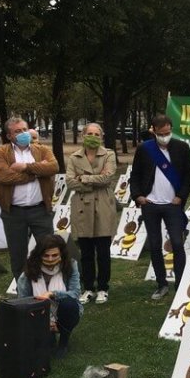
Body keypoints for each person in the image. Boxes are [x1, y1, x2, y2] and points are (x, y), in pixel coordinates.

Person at [130, 115, 190, 300]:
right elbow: (135, 174)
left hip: (172, 205)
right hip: (150, 205)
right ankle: (161, 284)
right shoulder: (145, 149)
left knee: (177, 243)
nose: (165, 136)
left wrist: (181, 196)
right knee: (155, 245)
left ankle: (180, 284)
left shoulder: (181, 147)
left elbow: (189, 176)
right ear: (154, 131)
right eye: (161, 134)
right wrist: (138, 196)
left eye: (168, 133)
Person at [0, 117, 59, 279]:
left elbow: (53, 167)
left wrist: (25, 167)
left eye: (24, 129)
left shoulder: (42, 150)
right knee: (18, 255)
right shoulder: (0, 152)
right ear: (9, 136)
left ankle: (50, 290)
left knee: (48, 251)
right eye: (17, 131)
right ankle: (24, 295)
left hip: (41, 210)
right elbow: (3, 176)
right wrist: (35, 173)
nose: (23, 133)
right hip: (13, 213)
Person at [65, 123, 117, 305]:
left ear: (101, 136)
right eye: (90, 133)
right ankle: (88, 288)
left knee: (103, 251)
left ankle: (103, 287)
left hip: (103, 206)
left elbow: (108, 177)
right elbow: (70, 182)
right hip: (81, 208)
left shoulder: (109, 154)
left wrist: (84, 178)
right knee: (86, 252)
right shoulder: (73, 157)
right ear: (83, 135)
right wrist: (96, 179)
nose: (93, 136)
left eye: (97, 133)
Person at [16, 234, 83, 359]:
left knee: (70, 304)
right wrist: (44, 320)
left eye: (55, 255)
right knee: (44, 346)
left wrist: (53, 294)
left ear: (61, 254)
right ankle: (48, 335)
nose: (50, 259)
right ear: (39, 255)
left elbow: (75, 293)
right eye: (46, 255)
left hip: (63, 309)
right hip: (36, 312)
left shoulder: (70, 265)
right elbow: (22, 302)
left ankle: (64, 342)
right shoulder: (28, 273)